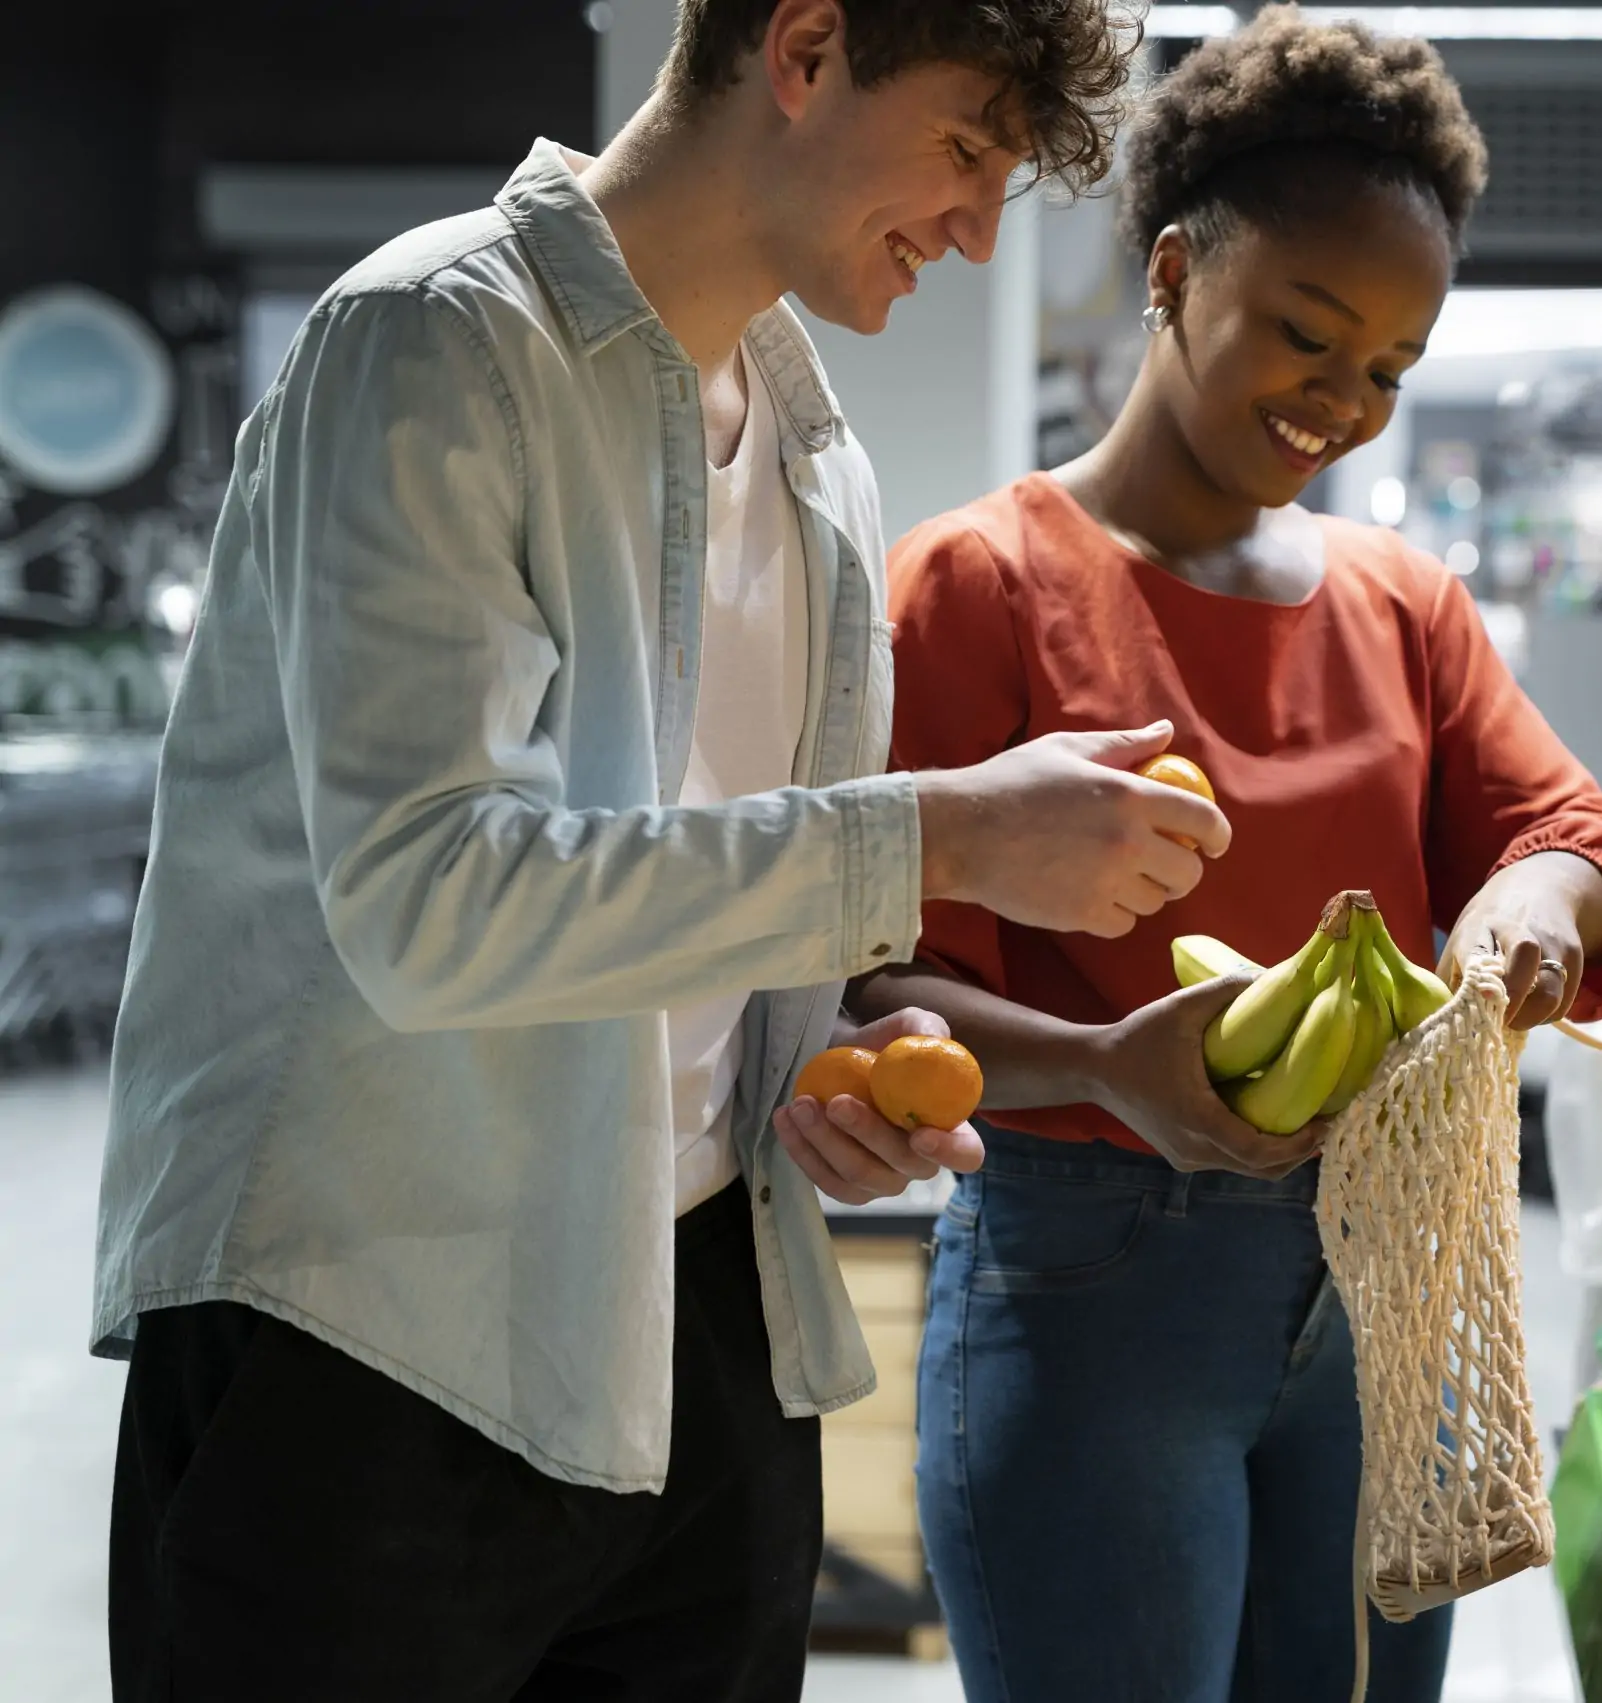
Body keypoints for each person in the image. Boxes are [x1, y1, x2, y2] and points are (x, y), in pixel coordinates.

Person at [90, 4, 1220, 1699]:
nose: (983, 230)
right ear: (809, 46)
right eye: (969, 147)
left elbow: (676, 912)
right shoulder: (436, 343)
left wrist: (817, 1063)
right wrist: (942, 835)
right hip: (375, 1336)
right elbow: (435, 902)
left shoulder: (815, 456)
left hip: (702, 1331)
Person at [850, 10, 1602, 1698]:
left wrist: (1534, 902)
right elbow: (873, 973)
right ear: (1170, 274)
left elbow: (1578, 838)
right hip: (1093, 1283)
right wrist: (1100, 1064)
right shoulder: (980, 584)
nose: (1343, 403)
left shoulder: (1403, 608)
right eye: (1305, 334)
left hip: (1386, 1291)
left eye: (1387, 368)